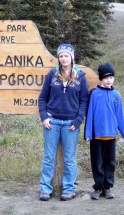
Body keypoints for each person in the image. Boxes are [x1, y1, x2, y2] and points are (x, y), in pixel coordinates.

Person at [38, 43, 89, 201]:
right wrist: (44, 117)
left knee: (69, 158)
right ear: (58, 58)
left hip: (70, 124)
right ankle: (45, 189)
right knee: (48, 157)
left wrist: (79, 119)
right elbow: (42, 98)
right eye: (61, 56)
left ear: (72, 57)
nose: (63, 58)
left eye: (66, 55)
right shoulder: (52, 75)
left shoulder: (80, 76)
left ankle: (69, 188)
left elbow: (84, 101)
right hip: (52, 122)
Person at [84, 63, 124, 200]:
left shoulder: (116, 95)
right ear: (101, 79)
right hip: (96, 136)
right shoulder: (94, 94)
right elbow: (90, 114)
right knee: (97, 163)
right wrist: (88, 133)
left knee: (110, 162)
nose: (109, 80)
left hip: (111, 136)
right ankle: (98, 188)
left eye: (111, 77)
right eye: (106, 78)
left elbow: (120, 117)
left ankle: (108, 187)